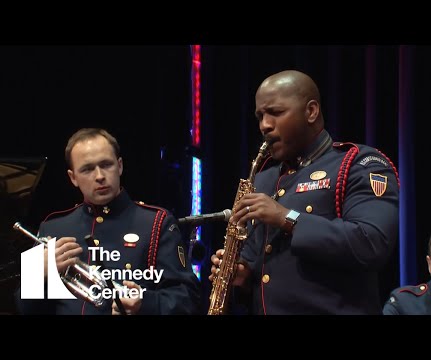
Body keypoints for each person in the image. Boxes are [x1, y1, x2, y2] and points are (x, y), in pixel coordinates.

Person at [209, 70, 400, 314]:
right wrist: (242, 273)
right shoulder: (265, 179)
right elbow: (263, 266)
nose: (265, 125)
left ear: (311, 111)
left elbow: (371, 243)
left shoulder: (359, 164)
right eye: (260, 116)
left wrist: (287, 218)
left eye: (276, 113)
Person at [16, 128, 201, 315]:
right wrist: (37, 274)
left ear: (119, 166)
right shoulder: (52, 226)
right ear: (73, 178)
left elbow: (188, 300)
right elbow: (24, 310)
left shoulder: (157, 222)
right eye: (87, 169)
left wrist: (144, 304)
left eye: (106, 165)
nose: (99, 176)